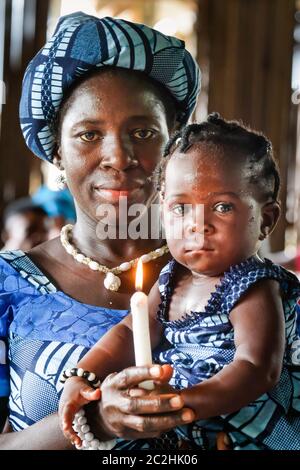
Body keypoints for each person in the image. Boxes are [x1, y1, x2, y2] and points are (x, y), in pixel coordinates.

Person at [0, 12, 200, 449]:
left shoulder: (230, 275)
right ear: (55, 152)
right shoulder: (7, 286)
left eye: (144, 131)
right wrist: (96, 420)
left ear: (175, 144)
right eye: (89, 135)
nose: (118, 156)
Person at [58, 114, 300, 450]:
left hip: (242, 432)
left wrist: (180, 404)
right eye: (181, 208)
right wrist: (82, 376)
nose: (197, 224)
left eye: (222, 207)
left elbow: (256, 368)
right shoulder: (173, 277)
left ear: (266, 220)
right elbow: (130, 330)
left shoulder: (253, 287)